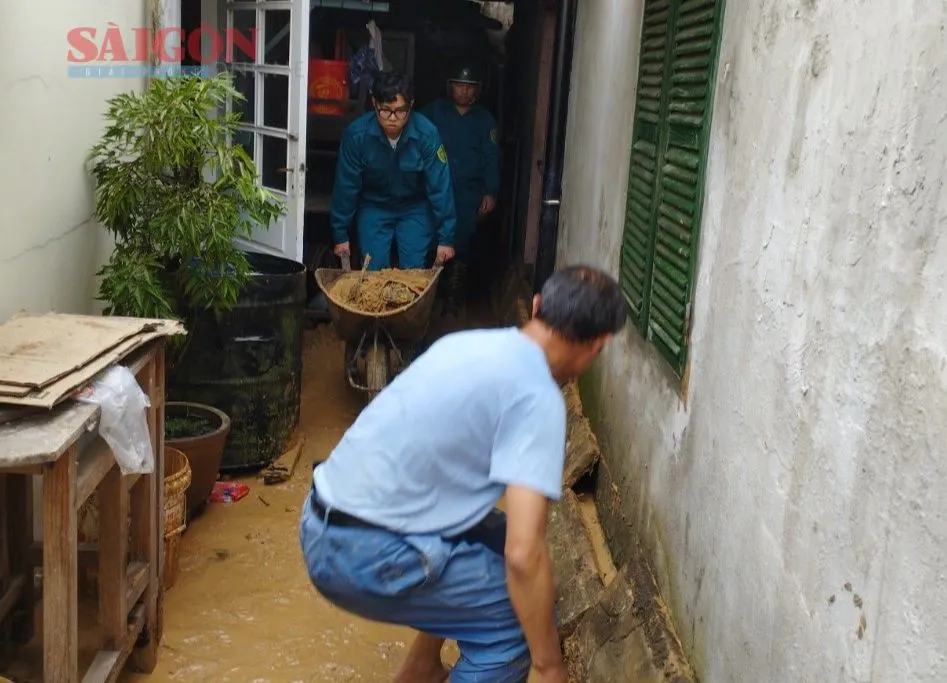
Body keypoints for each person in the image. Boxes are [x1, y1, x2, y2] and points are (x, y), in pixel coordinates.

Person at [298, 265, 628, 683]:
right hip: (363, 555)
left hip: (320, 523)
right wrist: (549, 666)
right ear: (598, 345)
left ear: (538, 307)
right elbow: (524, 556)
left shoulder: (468, 345)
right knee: (516, 625)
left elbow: (512, 541)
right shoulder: (538, 397)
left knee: (493, 535)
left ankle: (421, 668)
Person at [329, 70, 457, 270]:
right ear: (374, 103)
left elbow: (440, 187)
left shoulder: (427, 135)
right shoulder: (357, 136)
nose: (392, 118)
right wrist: (340, 235)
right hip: (374, 205)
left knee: (414, 270)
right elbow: (346, 187)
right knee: (372, 269)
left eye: (400, 110)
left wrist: (446, 238)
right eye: (385, 110)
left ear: (411, 105)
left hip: (415, 207)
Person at [422, 65, 501, 317]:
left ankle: (454, 298)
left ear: (477, 90)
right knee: (429, 239)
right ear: (450, 86)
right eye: (459, 84)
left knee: (462, 242)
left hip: (468, 192)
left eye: (469, 86)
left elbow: (491, 157)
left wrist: (491, 191)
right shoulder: (434, 111)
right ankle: (427, 295)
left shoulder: (484, 119)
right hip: (434, 189)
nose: (463, 91)